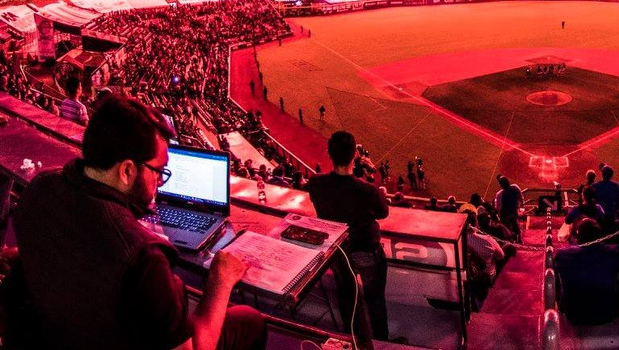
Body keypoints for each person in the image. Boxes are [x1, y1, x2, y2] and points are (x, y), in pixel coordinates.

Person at [6, 95, 264, 350]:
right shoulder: (144, 257)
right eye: (158, 172)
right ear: (127, 171)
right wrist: (220, 280)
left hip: (53, 336)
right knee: (249, 321)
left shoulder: (41, 186)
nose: (159, 184)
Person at [306, 131, 390, 342]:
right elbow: (382, 212)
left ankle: (353, 338)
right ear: (355, 156)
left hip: (339, 251)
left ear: (329, 153)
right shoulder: (368, 190)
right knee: (375, 298)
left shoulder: (316, 184)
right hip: (366, 251)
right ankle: (380, 342)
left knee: (347, 296)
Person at [495, 175, 523, 242]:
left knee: (506, 227)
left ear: (500, 185)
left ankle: (510, 240)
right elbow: (521, 198)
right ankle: (519, 239)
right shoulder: (515, 187)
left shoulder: (499, 194)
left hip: (505, 214)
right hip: (514, 211)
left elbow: (498, 208)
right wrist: (521, 206)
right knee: (515, 224)